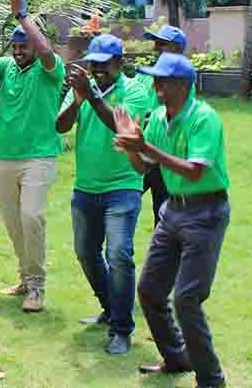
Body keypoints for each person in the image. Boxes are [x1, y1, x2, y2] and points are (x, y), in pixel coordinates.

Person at [114, 53, 230, 388]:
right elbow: (143, 168)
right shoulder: (158, 118)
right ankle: (177, 357)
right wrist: (133, 146)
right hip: (173, 211)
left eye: (161, 80)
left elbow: (195, 171)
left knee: (186, 299)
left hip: (205, 212)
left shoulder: (203, 118)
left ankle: (211, 379)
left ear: (181, 84)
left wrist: (145, 144)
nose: (155, 85)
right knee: (150, 290)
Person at [0, 0, 64, 312]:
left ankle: (37, 287)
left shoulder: (50, 69)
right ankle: (25, 277)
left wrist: (22, 15)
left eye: (25, 44)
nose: (20, 49)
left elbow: (46, 51)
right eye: (15, 44)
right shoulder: (7, 68)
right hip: (5, 158)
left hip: (39, 156)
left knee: (32, 216)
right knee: (14, 224)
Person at [55, 34, 149, 354]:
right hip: (85, 187)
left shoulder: (134, 90)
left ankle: (121, 329)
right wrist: (78, 100)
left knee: (119, 254)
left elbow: (121, 127)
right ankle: (110, 308)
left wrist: (92, 96)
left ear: (119, 63)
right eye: (93, 64)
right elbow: (60, 126)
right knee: (85, 251)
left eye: (104, 64)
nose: (98, 70)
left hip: (123, 187)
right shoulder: (82, 91)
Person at [137, 25, 187, 226]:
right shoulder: (144, 75)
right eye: (155, 43)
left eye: (162, 44)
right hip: (140, 153)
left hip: (165, 157)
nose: (156, 48)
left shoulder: (183, 79)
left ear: (177, 48)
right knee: (121, 204)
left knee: (164, 214)